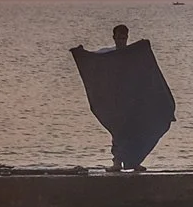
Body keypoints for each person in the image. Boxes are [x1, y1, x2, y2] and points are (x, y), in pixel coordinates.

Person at [69, 24, 176, 171]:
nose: (121, 40)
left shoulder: (133, 55)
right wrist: (82, 53)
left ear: (127, 37)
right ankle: (117, 163)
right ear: (114, 37)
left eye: (124, 37)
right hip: (115, 103)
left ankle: (133, 162)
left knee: (137, 131)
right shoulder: (108, 54)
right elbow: (93, 61)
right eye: (119, 37)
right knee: (118, 132)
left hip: (132, 102)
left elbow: (146, 72)